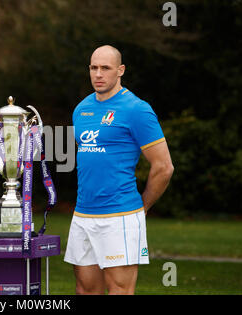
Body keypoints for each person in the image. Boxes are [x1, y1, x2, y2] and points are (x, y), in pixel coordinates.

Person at [64, 45, 174, 295]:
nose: (98, 74)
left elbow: (164, 167)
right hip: (83, 215)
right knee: (85, 290)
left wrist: (142, 208)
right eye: (94, 67)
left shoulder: (137, 109)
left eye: (106, 68)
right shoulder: (81, 110)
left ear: (120, 70)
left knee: (119, 290)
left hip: (120, 215)